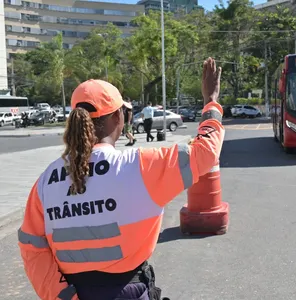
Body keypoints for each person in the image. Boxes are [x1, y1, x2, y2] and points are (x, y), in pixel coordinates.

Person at [17, 57, 225, 300]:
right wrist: (211, 102)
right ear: (118, 118)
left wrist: (61, 295)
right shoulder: (140, 167)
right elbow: (206, 151)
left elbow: (32, 248)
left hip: (74, 292)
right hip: (129, 291)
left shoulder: (45, 183)